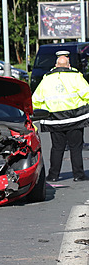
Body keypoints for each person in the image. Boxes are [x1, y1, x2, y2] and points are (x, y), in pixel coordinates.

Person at [32, 51, 89, 182]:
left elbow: (36, 100)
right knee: (76, 147)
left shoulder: (47, 79)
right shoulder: (76, 77)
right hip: (75, 119)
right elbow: (87, 94)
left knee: (57, 148)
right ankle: (78, 175)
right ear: (69, 65)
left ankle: (53, 176)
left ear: (55, 65)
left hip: (54, 120)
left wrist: (42, 112)